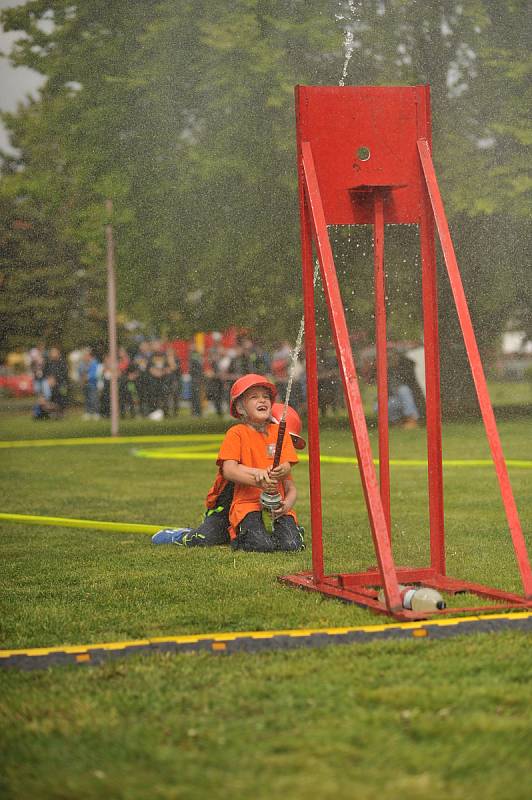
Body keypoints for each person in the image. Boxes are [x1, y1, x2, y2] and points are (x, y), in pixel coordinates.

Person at [152, 376, 305, 552]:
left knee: (291, 545)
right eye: (254, 397)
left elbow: (288, 478)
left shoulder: (279, 433)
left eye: (266, 396)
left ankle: (289, 532)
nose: (262, 400)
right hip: (237, 503)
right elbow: (229, 470)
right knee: (216, 539)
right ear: (240, 408)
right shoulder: (236, 433)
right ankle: (182, 535)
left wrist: (286, 503)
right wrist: (259, 476)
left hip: (274, 503)